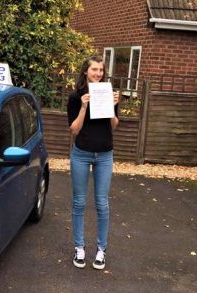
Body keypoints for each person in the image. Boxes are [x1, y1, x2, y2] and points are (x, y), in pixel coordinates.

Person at [67, 55, 119, 270]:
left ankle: (101, 250)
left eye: (101, 70)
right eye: (94, 69)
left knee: (102, 203)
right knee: (79, 202)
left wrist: (112, 106)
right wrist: (83, 107)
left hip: (105, 154)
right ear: (85, 71)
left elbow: (114, 126)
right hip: (81, 153)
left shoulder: (107, 92)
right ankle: (79, 247)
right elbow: (74, 130)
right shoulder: (75, 96)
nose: (98, 73)